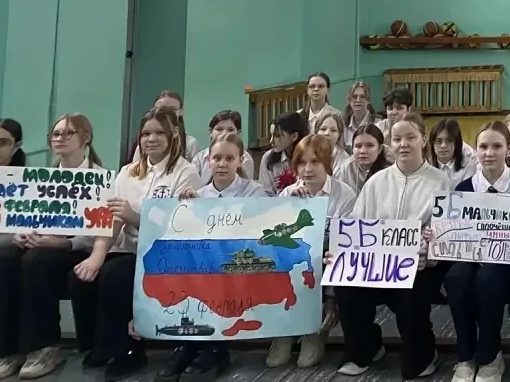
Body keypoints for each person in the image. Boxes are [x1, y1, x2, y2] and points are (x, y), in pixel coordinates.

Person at [71, 108, 198, 381]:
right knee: (82, 275)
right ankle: (98, 346)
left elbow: (179, 227)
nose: (151, 139)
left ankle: (129, 352)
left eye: (159, 133)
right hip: (127, 249)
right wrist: (96, 256)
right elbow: (113, 219)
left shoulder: (186, 173)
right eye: (145, 133)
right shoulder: (127, 173)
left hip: (164, 253)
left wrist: (136, 218)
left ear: (173, 135)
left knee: (115, 275)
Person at [333, 113, 450, 379]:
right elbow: (356, 225)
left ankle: (424, 353)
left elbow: (444, 234)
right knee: (347, 289)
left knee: (411, 300)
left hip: (421, 266)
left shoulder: (441, 182)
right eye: (397, 139)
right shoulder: (376, 182)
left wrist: (429, 253)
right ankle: (365, 348)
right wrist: (340, 254)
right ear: (390, 143)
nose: (403, 144)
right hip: (377, 265)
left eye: (410, 137)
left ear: (423, 140)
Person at [0, 115, 103, 380]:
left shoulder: (99, 178)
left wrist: (61, 242)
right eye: (55, 134)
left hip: (77, 249)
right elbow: (30, 218)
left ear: (85, 138)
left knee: (37, 260)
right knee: (6, 257)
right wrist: (24, 235)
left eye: (67, 133)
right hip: (43, 244)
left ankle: (43, 347)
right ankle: (8, 349)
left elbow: (99, 234)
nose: (60, 138)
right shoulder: (41, 178)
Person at [163, 136, 263, 380]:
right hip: (205, 261)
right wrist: (188, 208)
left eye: (229, 158)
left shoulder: (254, 191)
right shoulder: (198, 195)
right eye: (217, 158)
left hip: (241, 260)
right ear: (208, 161)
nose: (222, 164)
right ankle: (188, 345)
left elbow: (255, 231)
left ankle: (215, 348)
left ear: (240, 161)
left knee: (214, 274)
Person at [446, 122, 510, 382]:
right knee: (456, 277)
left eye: (497, 146)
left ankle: (490, 355)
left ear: (508, 148)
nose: (489, 152)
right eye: (483, 146)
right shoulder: (463, 189)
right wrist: (440, 234)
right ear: (475, 150)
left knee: (489, 278)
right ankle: (465, 355)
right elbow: (454, 234)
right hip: (471, 258)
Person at [269, 135, 357, 369]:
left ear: (327, 162)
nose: (307, 169)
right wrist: (292, 208)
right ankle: (285, 330)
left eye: (315, 162)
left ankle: (314, 331)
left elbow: (344, 249)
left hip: (327, 263)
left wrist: (331, 300)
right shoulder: (287, 194)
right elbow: (274, 242)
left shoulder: (345, 195)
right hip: (293, 263)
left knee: (320, 260)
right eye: (302, 162)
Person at [128, 92, 198, 162]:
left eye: (172, 110)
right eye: (160, 109)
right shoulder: (144, 141)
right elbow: (135, 166)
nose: (152, 139)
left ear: (181, 111)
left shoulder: (190, 143)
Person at [190, 110, 254, 183]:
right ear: (211, 132)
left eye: (230, 130)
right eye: (219, 129)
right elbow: (193, 184)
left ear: (238, 133)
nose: (224, 133)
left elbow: (246, 186)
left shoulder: (245, 159)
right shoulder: (199, 158)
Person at [260, 111, 308, 195]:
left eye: (277, 136)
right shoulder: (268, 158)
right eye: (271, 135)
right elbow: (265, 194)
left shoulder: (308, 157)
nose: (271, 141)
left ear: (294, 136)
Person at [336, 124, 390, 194]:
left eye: (369, 146)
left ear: (380, 148)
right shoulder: (347, 168)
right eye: (358, 146)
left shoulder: (389, 170)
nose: (363, 151)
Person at [428, 119, 476, 189]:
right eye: (438, 141)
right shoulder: (426, 165)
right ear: (432, 144)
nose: (443, 145)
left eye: (449, 140)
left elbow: (466, 194)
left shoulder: (468, 166)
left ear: (457, 143)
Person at [314, 111, 353, 176]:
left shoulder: (345, 160)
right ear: (316, 132)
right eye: (323, 129)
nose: (327, 133)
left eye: (333, 130)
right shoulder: (306, 153)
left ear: (339, 135)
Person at [342, 81, 378, 147]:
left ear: (368, 100)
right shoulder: (342, 125)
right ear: (349, 100)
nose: (358, 100)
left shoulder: (378, 123)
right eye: (354, 96)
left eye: (362, 96)